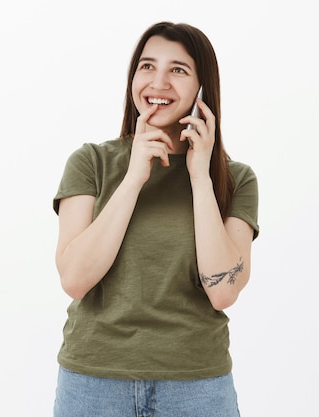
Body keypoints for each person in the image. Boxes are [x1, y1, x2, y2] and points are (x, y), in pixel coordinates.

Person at [52, 22, 259, 417]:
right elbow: (74, 280)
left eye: (178, 70)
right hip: (94, 382)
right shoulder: (91, 163)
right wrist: (133, 177)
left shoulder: (235, 180)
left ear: (202, 87)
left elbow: (223, 291)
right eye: (147, 67)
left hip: (197, 386)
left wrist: (200, 177)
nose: (158, 82)